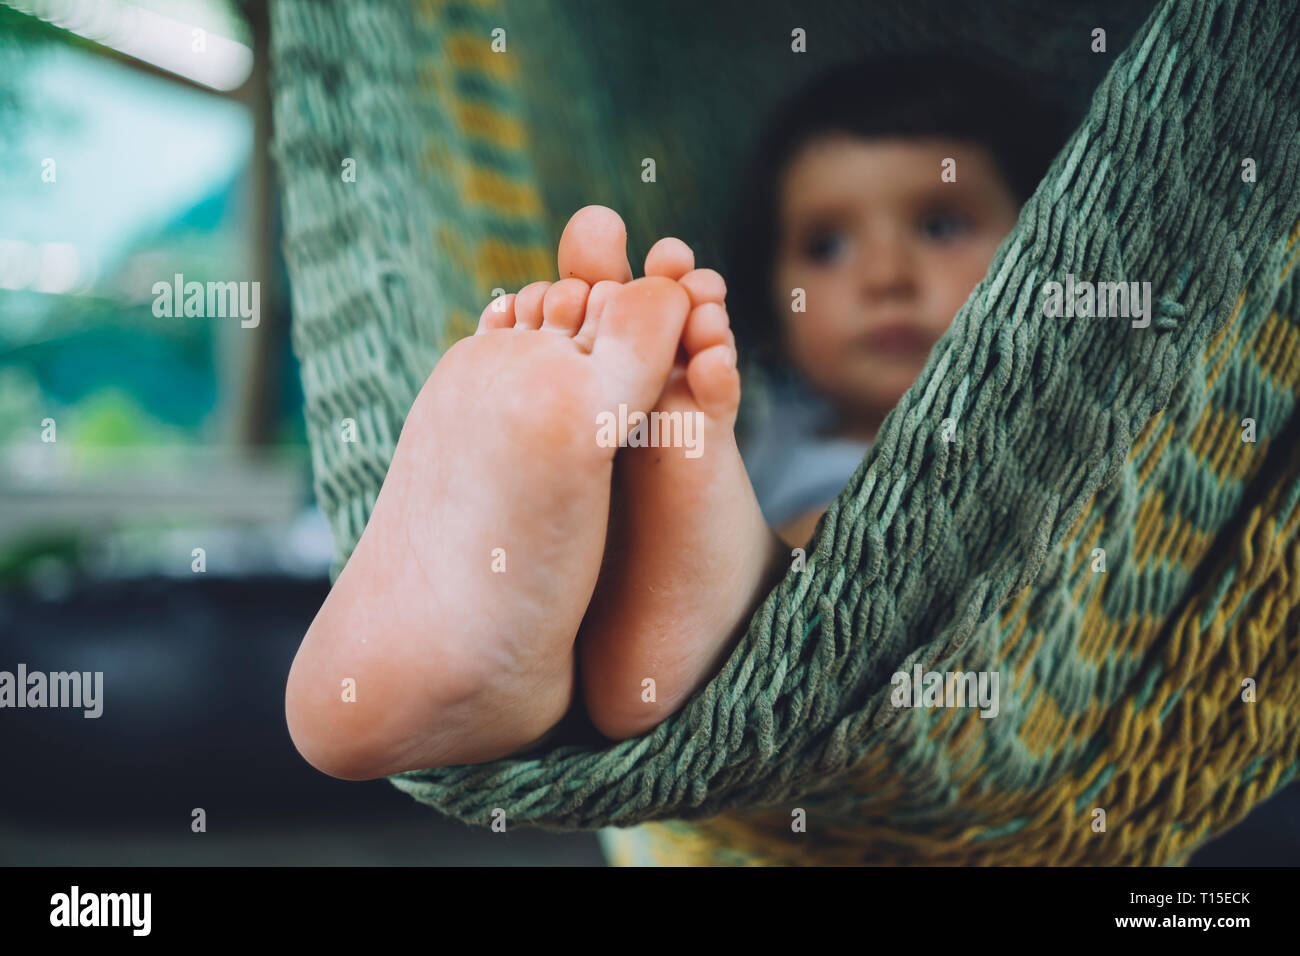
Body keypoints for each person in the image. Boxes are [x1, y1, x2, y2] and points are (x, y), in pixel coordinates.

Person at [282, 54, 1073, 794]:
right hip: (726, 567)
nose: (885, 276)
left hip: (877, 619)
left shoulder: (1070, 413)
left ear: (1049, 244)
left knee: (834, 543)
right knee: (678, 461)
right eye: (826, 244)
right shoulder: (758, 400)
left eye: (940, 225)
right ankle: (539, 629)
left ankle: (698, 608)